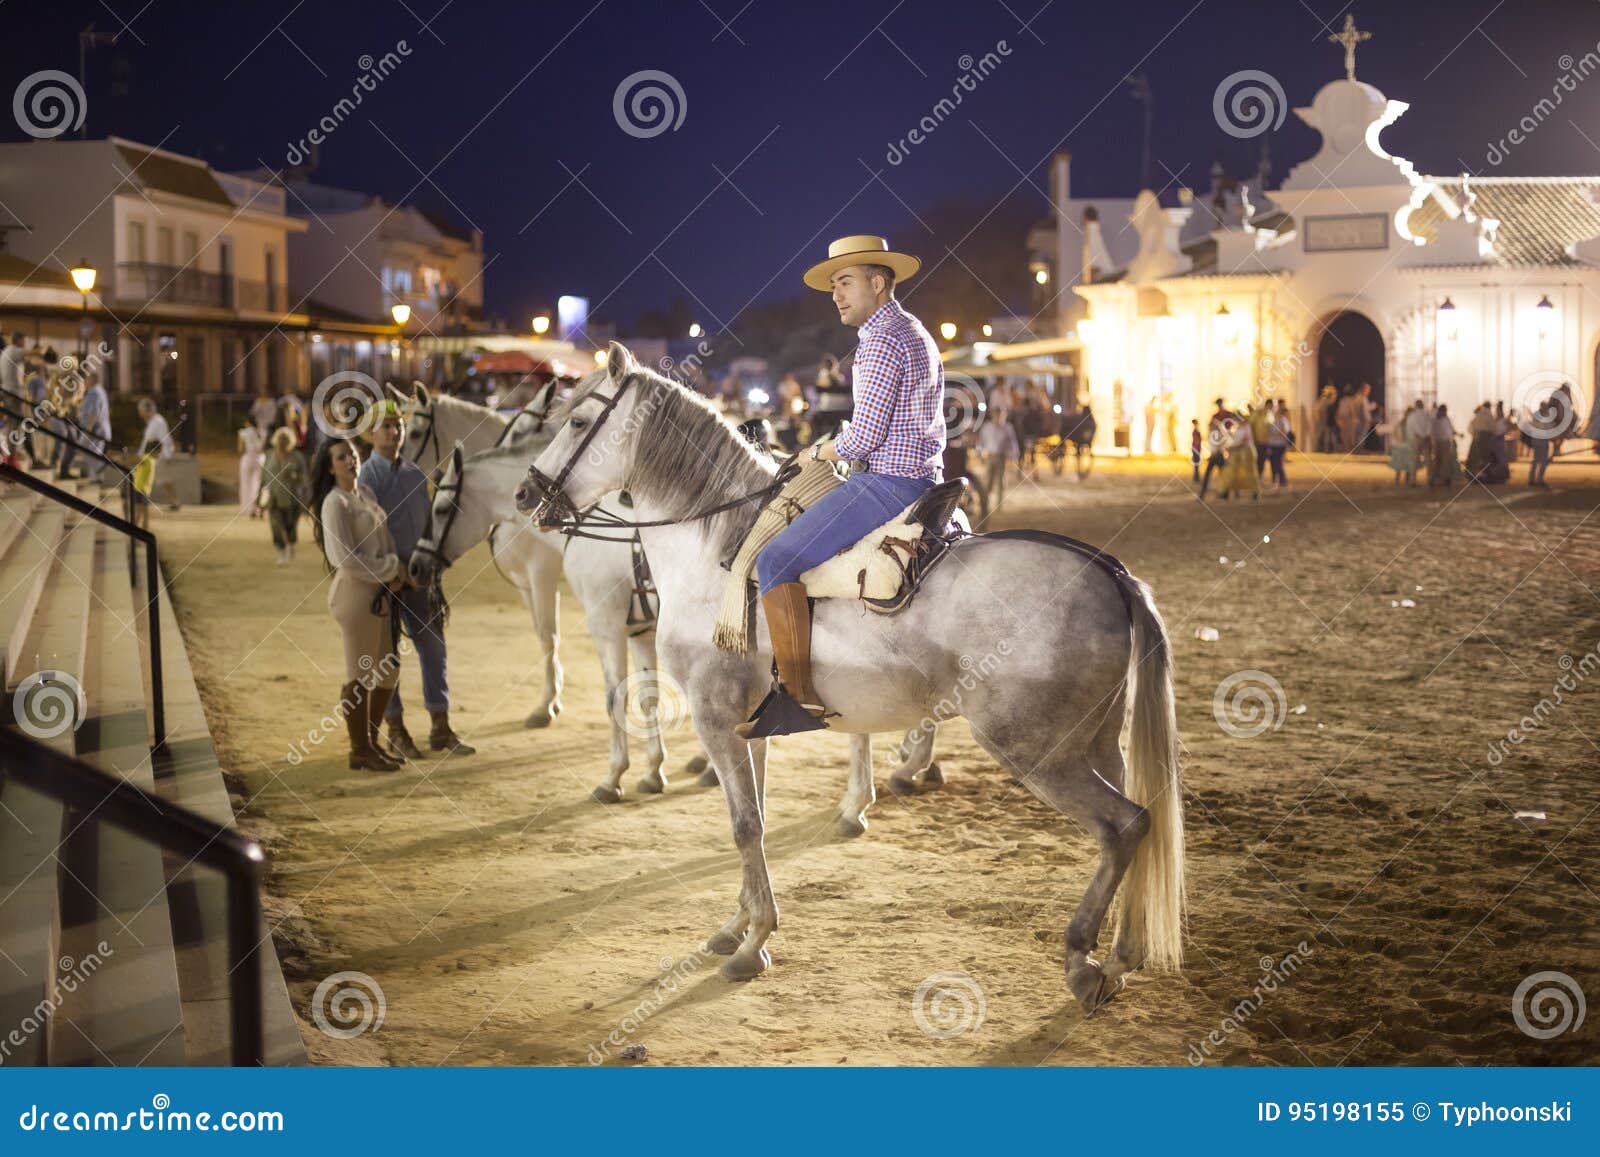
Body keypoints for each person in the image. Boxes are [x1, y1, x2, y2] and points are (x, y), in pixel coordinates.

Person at [736, 235, 942, 738]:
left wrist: (814, 453)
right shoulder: (912, 329)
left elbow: (864, 437)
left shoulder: (882, 339)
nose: (836, 295)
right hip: (923, 476)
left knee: (775, 560)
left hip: (888, 483)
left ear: (879, 282)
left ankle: (797, 697)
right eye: (833, 286)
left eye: (846, 282)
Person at [359, 401, 475, 758]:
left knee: (433, 647)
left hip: (420, 577)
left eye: (398, 426)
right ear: (370, 434)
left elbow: (428, 524)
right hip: (387, 580)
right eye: (386, 426)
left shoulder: (414, 473)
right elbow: (369, 534)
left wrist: (430, 568)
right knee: (388, 656)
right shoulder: (367, 478)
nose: (394, 432)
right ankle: (395, 729)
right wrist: (393, 570)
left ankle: (440, 726)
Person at [310, 439, 405, 773]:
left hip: (380, 593)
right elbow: (345, 559)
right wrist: (391, 568)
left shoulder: (365, 494)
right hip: (355, 596)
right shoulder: (334, 503)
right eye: (341, 457)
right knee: (361, 672)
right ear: (330, 467)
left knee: (388, 670)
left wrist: (395, 570)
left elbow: (385, 539)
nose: (350, 460)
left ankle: (371, 742)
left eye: (351, 454)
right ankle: (360, 750)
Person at [259, 426, 308, 563]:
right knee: (275, 525)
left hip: (293, 497)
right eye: (280, 439)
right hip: (273, 497)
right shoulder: (269, 455)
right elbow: (263, 477)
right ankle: (281, 550)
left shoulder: (297, 457)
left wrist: (294, 477)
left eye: (285, 440)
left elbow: (304, 478)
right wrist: (259, 498)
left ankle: (291, 545)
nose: (282, 442)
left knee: (290, 525)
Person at [132, 398, 174, 528]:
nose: (140, 414)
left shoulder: (158, 421)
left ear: (147, 410)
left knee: (164, 479)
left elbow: (164, 439)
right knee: (162, 479)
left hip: (156, 456)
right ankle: (174, 500)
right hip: (150, 457)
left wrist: (167, 454)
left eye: (141, 411)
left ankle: (174, 500)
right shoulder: (151, 422)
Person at [977, 405, 1019, 514]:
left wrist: (1013, 456)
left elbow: (1013, 443)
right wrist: (980, 453)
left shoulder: (1008, 428)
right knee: (988, 480)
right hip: (990, 457)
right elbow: (980, 442)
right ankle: (986, 502)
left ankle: (999, 504)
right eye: (997, 415)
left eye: (1001, 415)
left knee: (1001, 480)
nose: (999, 417)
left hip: (1002, 457)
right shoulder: (987, 427)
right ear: (993, 415)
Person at [1217, 416, 1259, 501]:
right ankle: (1227, 491)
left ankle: (1255, 492)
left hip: (1246, 453)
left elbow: (1244, 441)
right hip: (1237, 453)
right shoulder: (1237, 427)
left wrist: (1232, 448)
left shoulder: (1246, 427)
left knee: (1248, 473)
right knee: (1231, 472)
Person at [1197, 397, 1233, 498]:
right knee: (1222, 473)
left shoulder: (1225, 416)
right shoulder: (1217, 418)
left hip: (1217, 454)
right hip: (1217, 454)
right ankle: (1224, 493)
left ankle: (1206, 493)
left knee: (1218, 474)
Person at [238, 424, 266, 516]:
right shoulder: (263, 432)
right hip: (260, 459)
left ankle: (249, 507)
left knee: (246, 484)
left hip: (248, 459)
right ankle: (258, 506)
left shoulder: (243, 432)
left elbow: (240, 449)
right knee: (259, 484)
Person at [1403, 399, 1431, 487]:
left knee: (1414, 460)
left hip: (1416, 439)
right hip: (1426, 439)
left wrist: (1415, 436)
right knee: (1428, 460)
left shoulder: (1412, 416)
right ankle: (1430, 479)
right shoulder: (1426, 415)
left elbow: (1409, 428)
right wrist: (1426, 435)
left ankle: (1413, 480)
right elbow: (1430, 426)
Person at [1430, 404, 1460, 487]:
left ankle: (1433, 478)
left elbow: (1433, 432)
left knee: (1437, 461)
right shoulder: (1445, 420)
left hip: (1437, 442)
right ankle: (1445, 478)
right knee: (1445, 461)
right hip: (1445, 442)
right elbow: (1450, 431)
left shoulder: (1435, 420)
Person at [1387, 403, 1414, 485]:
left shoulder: (1401, 423)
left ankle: (1397, 481)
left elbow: (1394, 433)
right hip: (1409, 446)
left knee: (1399, 465)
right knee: (1408, 465)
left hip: (1401, 446)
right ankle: (1407, 481)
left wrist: (1399, 441)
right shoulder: (1411, 424)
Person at [1189, 418, 1202, 482]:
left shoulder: (1195, 431)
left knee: (1196, 464)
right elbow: (1197, 441)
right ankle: (1196, 478)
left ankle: (1196, 477)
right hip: (1196, 449)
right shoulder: (1195, 431)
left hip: (1196, 448)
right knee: (1196, 464)